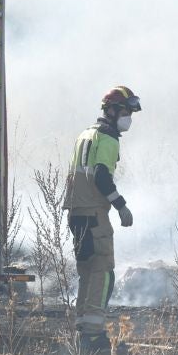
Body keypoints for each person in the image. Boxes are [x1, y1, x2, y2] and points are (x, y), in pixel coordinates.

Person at [66, 84, 141, 321]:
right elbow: (100, 175)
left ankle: (82, 325)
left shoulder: (86, 134)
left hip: (76, 213)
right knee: (103, 271)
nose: (129, 119)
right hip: (95, 214)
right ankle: (94, 333)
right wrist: (121, 205)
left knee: (86, 270)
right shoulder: (108, 138)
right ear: (112, 111)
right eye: (126, 113)